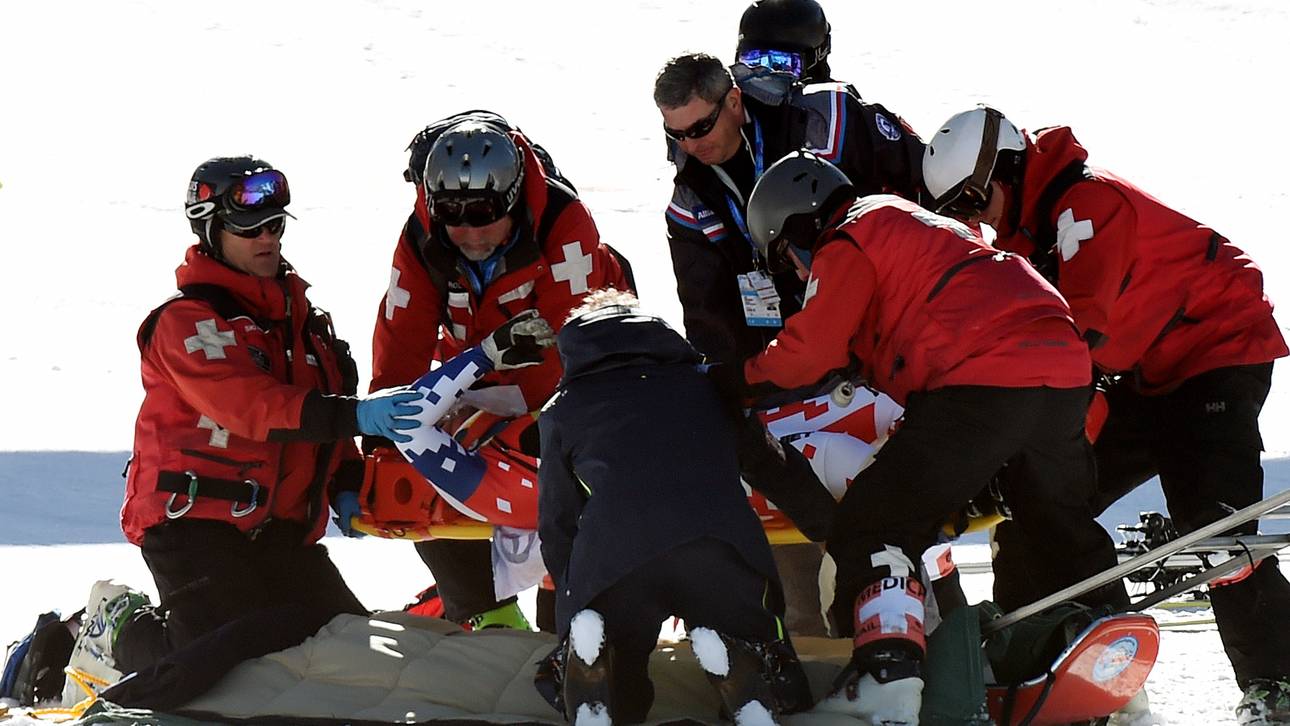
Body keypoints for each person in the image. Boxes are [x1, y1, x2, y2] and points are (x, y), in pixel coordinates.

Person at [729, 150, 1129, 723]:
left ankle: (886, 676)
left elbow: (808, 350)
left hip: (985, 376)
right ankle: (1108, 648)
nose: (797, 273)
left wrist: (737, 380)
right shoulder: (920, 228)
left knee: (873, 522)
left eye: (788, 257)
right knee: (1053, 523)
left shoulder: (853, 233)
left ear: (800, 224)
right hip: (1063, 368)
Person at [923, 105, 1290, 723]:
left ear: (1007, 169)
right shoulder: (1026, 239)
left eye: (973, 198)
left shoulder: (1087, 205)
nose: (971, 217)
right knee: (1037, 500)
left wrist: (1029, 427)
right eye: (956, 210)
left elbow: (1078, 336)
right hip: (1146, 374)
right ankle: (1040, 663)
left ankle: (1276, 681)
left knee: (1216, 527)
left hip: (1215, 352)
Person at [64, 156, 421, 708]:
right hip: (195, 524)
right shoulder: (187, 323)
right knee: (221, 664)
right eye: (249, 228)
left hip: (280, 531)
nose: (267, 237)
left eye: (275, 225)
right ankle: (113, 635)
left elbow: (321, 427)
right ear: (210, 230)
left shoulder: (304, 326)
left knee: (341, 643)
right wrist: (356, 413)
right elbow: (252, 408)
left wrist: (347, 478)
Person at [654, 51, 925, 638]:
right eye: (675, 134)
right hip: (784, 376)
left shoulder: (811, 121)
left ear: (733, 101)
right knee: (793, 539)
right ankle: (815, 653)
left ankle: (939, 636)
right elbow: (704, 310)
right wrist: (734, 386)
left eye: (700, 128)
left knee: (902, 520)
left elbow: (910, 188)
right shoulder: (689, 196)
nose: (690, 145)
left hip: (873, 364)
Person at [370, 111, 634, 632]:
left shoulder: (565, 224)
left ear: (514, 199)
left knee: (562, 487)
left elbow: (574, 353)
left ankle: (573, 620)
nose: (469, 232)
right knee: (420, 473)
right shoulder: (421, 237)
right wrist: (381, 446)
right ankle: (482, 613)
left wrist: (512, 434)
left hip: (570, 376)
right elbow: (400, 344)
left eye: (484, 214)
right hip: (479, 372)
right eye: (453, 216)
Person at [538, 289, 810, 725]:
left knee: (613, 642)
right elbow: (768, 461)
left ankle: (601, 675)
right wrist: (829, 522)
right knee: (760, 642)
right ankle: (747, 669)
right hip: (720, 545)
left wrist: (574, 600)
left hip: (615, 555)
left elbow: (557, 521)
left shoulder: (563, 408)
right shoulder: (707, 386)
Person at [735, 0, 834, 84]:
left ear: (817, 56)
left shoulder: (840, 103)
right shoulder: (732, 102)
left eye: (782, 66)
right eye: (752, 62)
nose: (765, 81)